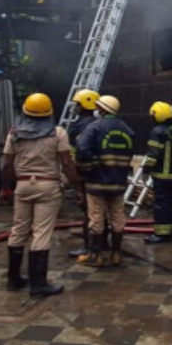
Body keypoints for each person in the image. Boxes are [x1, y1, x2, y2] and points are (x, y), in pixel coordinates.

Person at [1, 93, 83, 296]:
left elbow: (7, 164)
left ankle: (13, 279)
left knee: (18, 230)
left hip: (22, 185)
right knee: (41, 232)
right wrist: (77, 188)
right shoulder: (58, 133)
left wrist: (5, 188)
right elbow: (66, 163)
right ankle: (38, 285)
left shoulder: (14, 133)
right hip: (48, 186)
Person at [75, 95, 134, 267]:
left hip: (97, 182)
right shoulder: (127, 130)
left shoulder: (94, 127)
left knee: (96, 218)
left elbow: (82, 150)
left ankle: (96, 256)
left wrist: (89, 167)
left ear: (102, 109)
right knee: (117, 218)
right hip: (118, 182)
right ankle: (116, 254)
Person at [143, 102, 172, 244]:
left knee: (162, 204)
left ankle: (162, 234)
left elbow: (153, 155)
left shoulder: (157, 132)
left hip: (162, 176)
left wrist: (146, 168)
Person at [65, 89, 101, 258]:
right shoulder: (96, 123)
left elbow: (81, 151)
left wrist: (77, 173)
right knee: (98, 210)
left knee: (89, 211)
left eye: (78, 104)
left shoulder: (83, 126)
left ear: (86, 105)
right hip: (97, 172)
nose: (76, 107)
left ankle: (89, 246)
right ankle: (101, 242)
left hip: (85, 173)